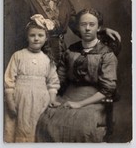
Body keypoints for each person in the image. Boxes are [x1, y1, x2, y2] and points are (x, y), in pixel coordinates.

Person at [36, 8, 118, 142]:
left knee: (82, 125)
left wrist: (79, 104)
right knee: (46, 119)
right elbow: (60, 78)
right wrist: (53, 97)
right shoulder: (71, 50)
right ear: (78, 28)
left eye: (92, 25)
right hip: (69, 95)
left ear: (99, 28)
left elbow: (108, 90)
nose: (87, 28)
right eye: (83, 24)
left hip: (95, 100)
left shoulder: (106, 54)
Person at [17, 0, 121, 65]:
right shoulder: (29, 2)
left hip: (61, 54)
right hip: (37, 53)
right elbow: (22, 33)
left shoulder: (66, 3)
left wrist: (102, 31)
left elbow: (78, 28)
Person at [4, 15, 60, 142]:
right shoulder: (18, 56)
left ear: (46, 38)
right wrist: (10, 101)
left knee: (36, 130)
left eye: (40, 35)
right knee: (19, 128)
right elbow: (9, 80)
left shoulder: (47, 60)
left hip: (40, 101)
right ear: (27, 37)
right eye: (32, 35)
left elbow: (53, 83)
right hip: (20, 98)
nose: (36, 39)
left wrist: (52, 99)